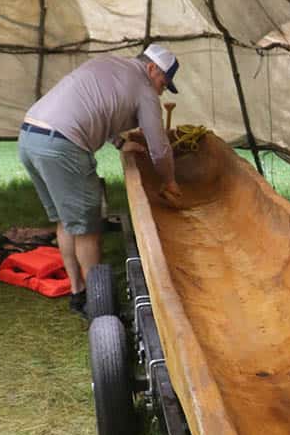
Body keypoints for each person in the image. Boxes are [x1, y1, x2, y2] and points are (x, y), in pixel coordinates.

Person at [18, 43, 183, 316]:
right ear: (151, 68)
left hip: (29, 136)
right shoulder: (144, 90)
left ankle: (78, 292)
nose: (161, 90)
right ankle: (98, 305)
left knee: (66, 220)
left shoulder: (106, 63)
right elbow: (159, 147)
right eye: (163, 83)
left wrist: (119, 142)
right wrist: (169, 180)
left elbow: (95, 108)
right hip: (62, 147)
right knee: (88, 230)